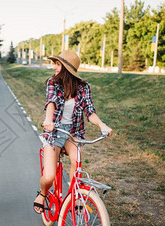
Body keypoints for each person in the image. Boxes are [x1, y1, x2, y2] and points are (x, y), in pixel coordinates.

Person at [33, 50, 112, 214]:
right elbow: (51, 102)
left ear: (66, 68)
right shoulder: (52, 83)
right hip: (54, 132)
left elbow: (89, 111)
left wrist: (102, 125)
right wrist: (48, 120)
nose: (54, 67)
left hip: (73, 134)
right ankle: (42, 194)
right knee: (49, 177)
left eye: (57, 64)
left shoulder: (83, 87)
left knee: (77, 162)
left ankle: (74, 196)